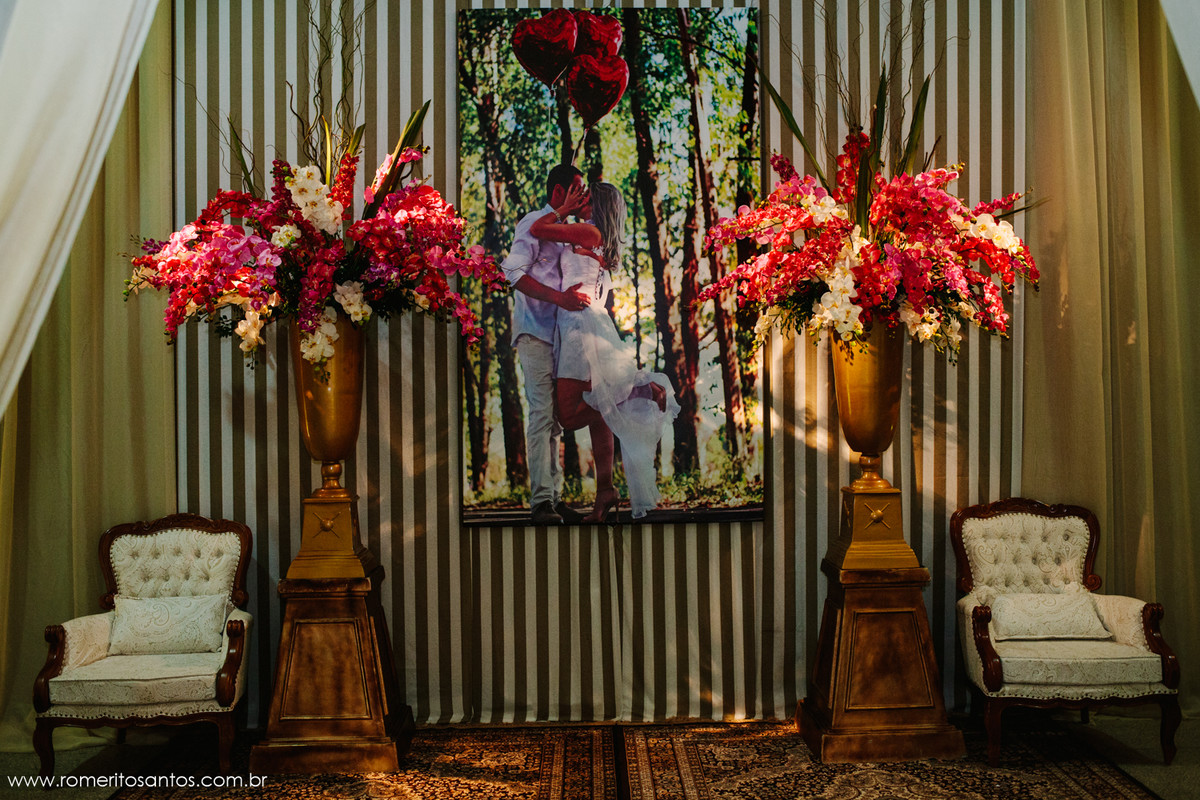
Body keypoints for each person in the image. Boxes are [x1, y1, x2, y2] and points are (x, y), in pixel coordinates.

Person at [530, 182, 679, 521]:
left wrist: (562, 207)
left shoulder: (588, 231)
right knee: (599, 414)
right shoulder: (595, 237)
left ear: (594, 204)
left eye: (584, 197)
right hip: (589, 323)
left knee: (569, 415)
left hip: (578, 326)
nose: (578, 199)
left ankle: (641, 390)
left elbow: (538, 228)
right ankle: (605, 492)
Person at [502, 165, 590, 524]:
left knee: (555, 418)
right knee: (541, 411)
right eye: (576, 190)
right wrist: (559, 299)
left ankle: (552, 497)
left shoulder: (566, 230)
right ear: (558, 192)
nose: (582, 197)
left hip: (560, 335)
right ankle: (540, 502)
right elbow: (512, 273)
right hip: (533, 331)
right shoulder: (533, 222)